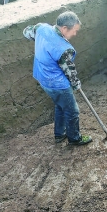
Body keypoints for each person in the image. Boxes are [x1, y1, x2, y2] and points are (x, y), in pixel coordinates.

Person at [23, 11, 92, 146]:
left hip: (42, 78)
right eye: (74, 31)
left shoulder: (41, 28)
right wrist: (76, 84)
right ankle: (74, 138)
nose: (75, 34)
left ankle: (59, 134)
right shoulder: (64, 49)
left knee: (61, 106)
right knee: (72, 111)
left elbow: (26, 32)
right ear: (65, 28)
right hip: (57, 84)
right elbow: (70, 73)